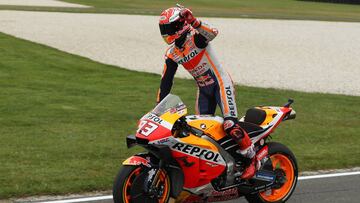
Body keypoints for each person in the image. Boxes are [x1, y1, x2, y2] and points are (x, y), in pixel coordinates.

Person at [156, 5, 257, 179]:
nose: (165, 33)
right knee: (201, 133)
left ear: (180, 25)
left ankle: (252, 159)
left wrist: (194, 21)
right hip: (203, 91)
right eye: (163, 29)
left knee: (229, 125)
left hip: (220, 85)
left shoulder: (196, 38)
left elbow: (213, 32)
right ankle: (217, 167)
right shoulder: (172, 53)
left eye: (168, 28)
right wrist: (157, 110)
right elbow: (166, 83)